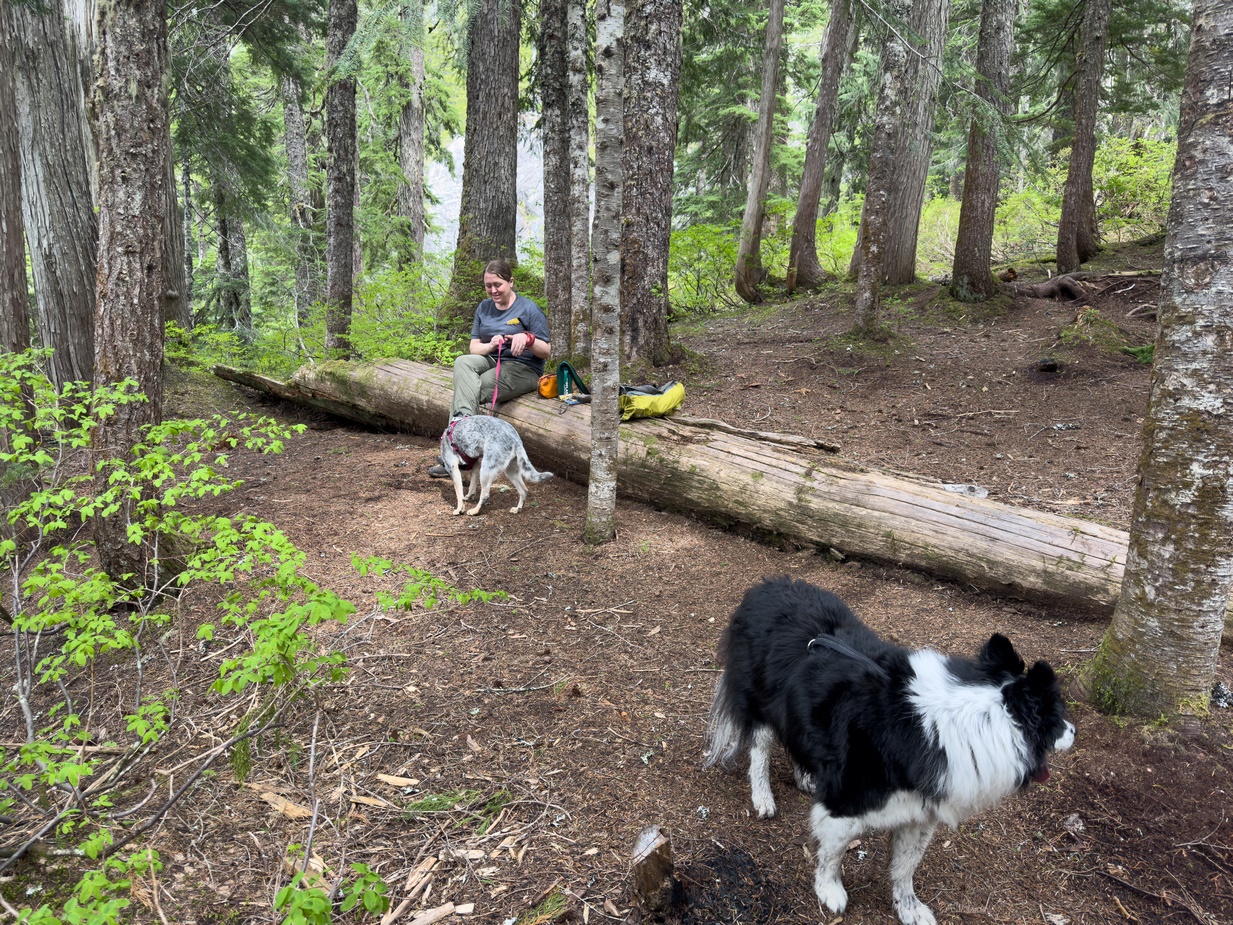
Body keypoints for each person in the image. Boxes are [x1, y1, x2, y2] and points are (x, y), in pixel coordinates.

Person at [428, 259, 551, 477]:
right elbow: (474, 348)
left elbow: (546, 351)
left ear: (510, 282)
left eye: (498, 285)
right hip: (492, 359)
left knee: (469, 390)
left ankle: (459, 457)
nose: (493, 290)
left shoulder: (528, 308)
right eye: (488, 285)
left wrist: (528, 338)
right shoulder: (484, 308)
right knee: (462, 362)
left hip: (523, 368)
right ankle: (463, 448)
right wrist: (491, 345)